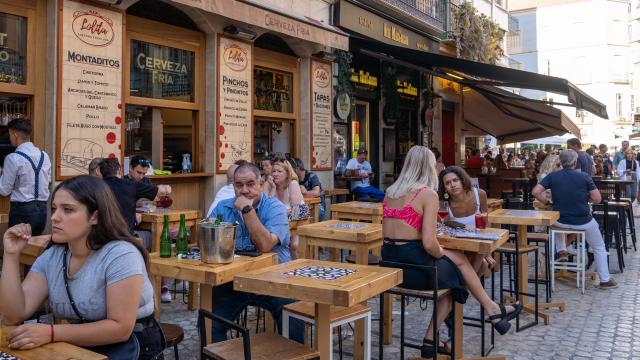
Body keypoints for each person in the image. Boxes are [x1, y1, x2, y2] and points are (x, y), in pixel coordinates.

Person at [0, 175, 164, 359]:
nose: (54, 218)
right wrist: (11, 255)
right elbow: (13, 315)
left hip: (132, 347)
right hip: (80, 347)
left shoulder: (120, 254)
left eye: (68, 210)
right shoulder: (52, 256)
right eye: (54, 209)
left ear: (95, 216)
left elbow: (120, 328)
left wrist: (51, 333)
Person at [381, 146, 522, 358]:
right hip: (415, 265)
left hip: (390, 262)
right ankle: (492, 311)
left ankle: (431, 340)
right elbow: (429, 244)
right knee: (459, 271)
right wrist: (443, 254)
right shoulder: (426, 194)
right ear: (428, 167)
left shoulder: (390, 192)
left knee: (457, 272)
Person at [209, 163, 303, 343]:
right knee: (209, 323)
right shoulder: (223, 207)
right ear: (233, 186)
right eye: (239, 185)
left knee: (294, 318)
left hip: (275, 279)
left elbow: (265, 245)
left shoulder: (275, 208)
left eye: (250, 184)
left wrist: (247, 210)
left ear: (261, 184)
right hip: (234, 280)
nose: (244, 190)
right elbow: (208, 239)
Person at [531, 150, 617, 289]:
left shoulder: (553, 176)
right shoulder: (584, 177)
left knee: (556, 222)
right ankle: (605, 280)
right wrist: (585, 198)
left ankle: (561, 250)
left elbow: (535, 192)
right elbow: (597, 199)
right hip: (583, 221)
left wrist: (547, 202)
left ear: (561, 162)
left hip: (560, 220)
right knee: (599, 247)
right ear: (575, 162)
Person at [0, 117, 51, 236]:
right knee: (34, 249)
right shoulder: (45, 156)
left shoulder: (13, 158)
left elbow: (4, 190)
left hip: (21, 212)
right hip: (42, 211)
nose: (10, 138)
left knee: (16, 249)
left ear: (15, 134)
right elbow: (47, 181)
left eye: (10, 134)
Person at [98, 158, 171, 233]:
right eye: (139, 172)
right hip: (124, 234)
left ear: (100, 172)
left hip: (100, 234)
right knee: (153, 234)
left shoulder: (95, 187)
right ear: (120, 170)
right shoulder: (130, 185)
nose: (141, 176)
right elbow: (160, 191)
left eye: (144, 174)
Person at [267, 158, 306, 259]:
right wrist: (273, 189)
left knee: (294, 246)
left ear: (287, 173)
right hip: (279, 223)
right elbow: (267, 208)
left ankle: (297, 270)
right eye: (274, 171)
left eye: (279, 171)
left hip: (297, 224)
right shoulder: (270, 185)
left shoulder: (292, 184)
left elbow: (297, 212)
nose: (275, 174)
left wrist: (280, 212)